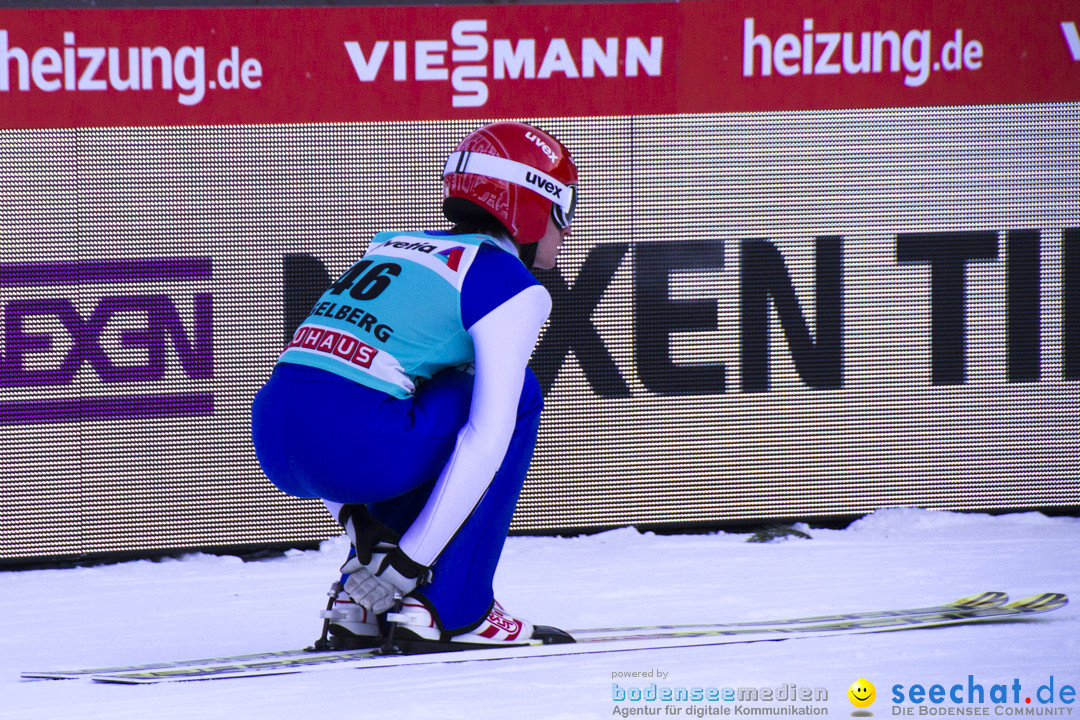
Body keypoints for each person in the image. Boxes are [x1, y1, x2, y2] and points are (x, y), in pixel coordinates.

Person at [250, 121, 578, 652]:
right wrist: (409, 563)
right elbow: (485, 440)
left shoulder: (393, 244)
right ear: (535, 207)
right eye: (565, 211)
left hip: (275, 437)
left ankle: (359, 601)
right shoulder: (511, 285)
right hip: (356, 444)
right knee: (517, 397)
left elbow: (324, 387)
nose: (567, 232)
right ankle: (453, 606)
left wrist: (367, 537)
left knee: (418, 391)